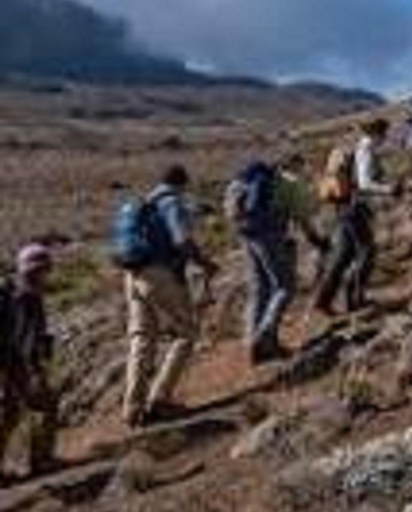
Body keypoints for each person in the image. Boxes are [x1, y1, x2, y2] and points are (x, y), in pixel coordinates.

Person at [123, 165, 217, 428]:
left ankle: (132, 408)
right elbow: (182, 241)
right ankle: (159, 399)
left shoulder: (145, 203)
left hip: (132, 275)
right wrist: (204, 263)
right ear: (181, 184)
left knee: (141, 338)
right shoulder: (172, 203)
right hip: (158, 274)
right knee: (186, 333)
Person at [225, 154, 327, 365]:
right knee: (284, 286)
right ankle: (264, 338)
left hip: (246, 234)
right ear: (293, 165)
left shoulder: (249, 178)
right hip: (269, 234)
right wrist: (316, 239)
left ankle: (250, 340)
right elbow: (301, 217)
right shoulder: (290, 183)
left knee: (259, 288)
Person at [314, 119, 399, 315]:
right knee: (366, 252)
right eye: (384, 133)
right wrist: (389, 189)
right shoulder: (365, 150)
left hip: (343, 207)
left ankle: (323, 299)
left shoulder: (357, 148)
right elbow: (364, 183)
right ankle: (354, 299)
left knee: (343, 255)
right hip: (355, 208)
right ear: (378, 132)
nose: (386, 138)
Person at [0, 244, 61, 483]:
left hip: (8, 360)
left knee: (10, 412)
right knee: (44, 404)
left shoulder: (12, 289)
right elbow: (28, 339)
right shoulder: (28, 296)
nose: (46, 275)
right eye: (44, 269)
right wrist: (36, 370)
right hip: (11, 361)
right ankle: (42, 461)